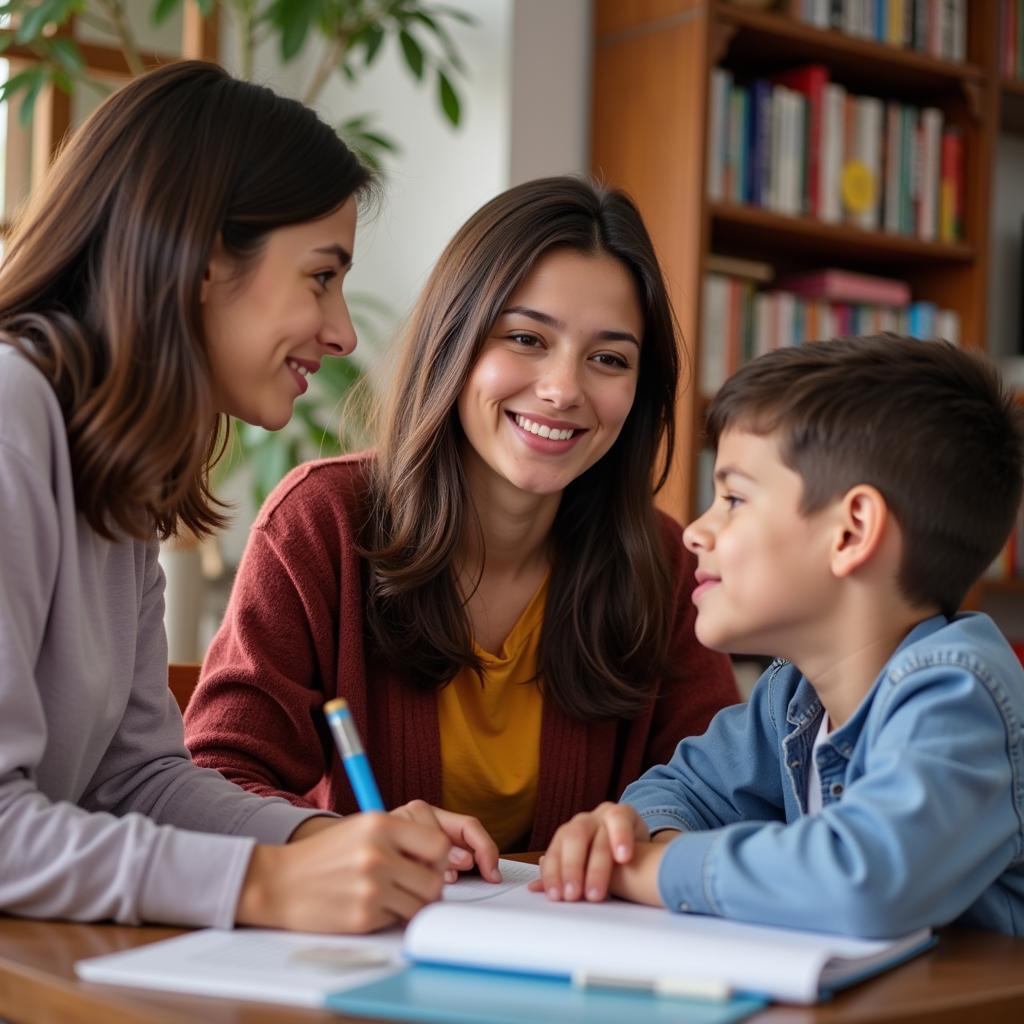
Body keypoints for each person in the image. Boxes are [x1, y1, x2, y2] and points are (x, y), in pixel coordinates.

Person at [0, 60, 495, 937]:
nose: (343, 331)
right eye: (319, 277)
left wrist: (331, 846)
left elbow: (137, 781)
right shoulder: (10, 411)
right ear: (199, 257)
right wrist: (262, 886)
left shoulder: (120, 474)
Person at [184, 175, 739, 855]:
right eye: (527, 339)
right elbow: (218, 779)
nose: (564, 389)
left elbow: (724, 792)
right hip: (362, 940)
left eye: (608, 358)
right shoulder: (320, 523)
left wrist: (654, 830)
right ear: (455, 340)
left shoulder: (668, 564)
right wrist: (347, 841)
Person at [533, 333, 1024, 937]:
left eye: (734, 497)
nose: (694, 532)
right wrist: (637, 841)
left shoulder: (959, 695)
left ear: (850, 533)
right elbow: (674, 788)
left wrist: (653, 871)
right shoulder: (792, 696)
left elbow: (863, 881)